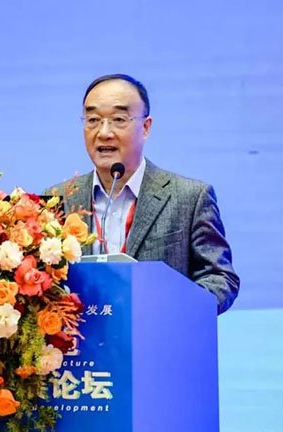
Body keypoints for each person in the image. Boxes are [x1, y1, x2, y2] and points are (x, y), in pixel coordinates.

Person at [46, 74, 239, 313]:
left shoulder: (189, 197)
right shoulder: (57, 200)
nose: (104, 132)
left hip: (160, 333)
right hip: (84, 335)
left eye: (118, 119)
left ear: (145, 127)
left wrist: (171, 309)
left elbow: (220, 279)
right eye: (93, 119)